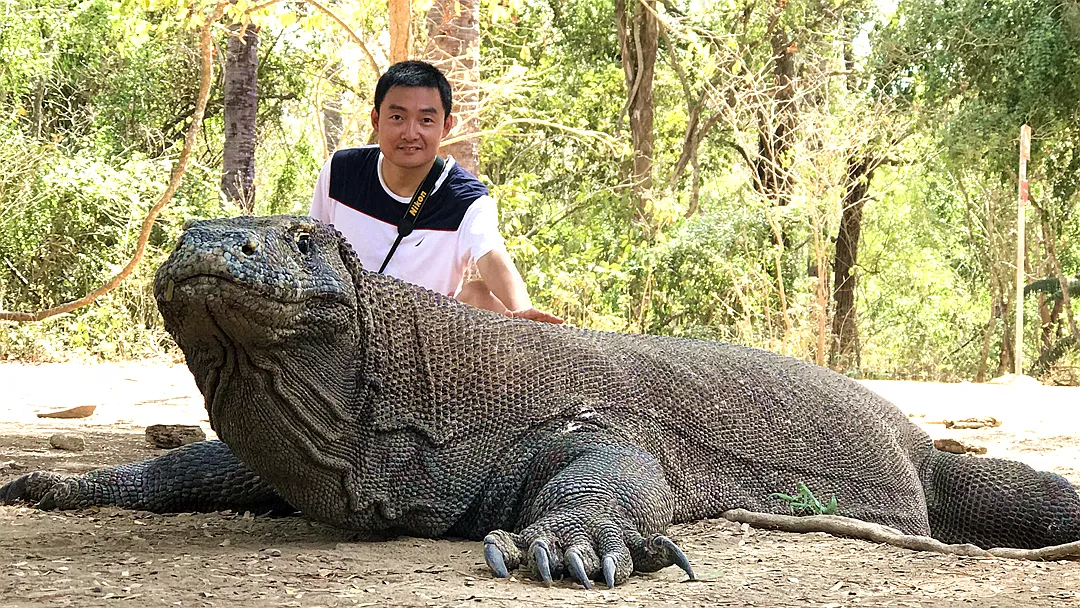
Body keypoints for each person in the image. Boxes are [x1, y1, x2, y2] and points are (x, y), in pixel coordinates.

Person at [310, 61, 562, 324]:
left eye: (426, 120)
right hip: (343, 329)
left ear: (445, 126)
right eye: (397, 117)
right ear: (376, 119)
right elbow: (313, 250)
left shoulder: (467, 199)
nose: (410, 133)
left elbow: (491, 255)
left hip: (426, 344)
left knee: (478, 294)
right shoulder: (341, 172)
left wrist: (525, 314)